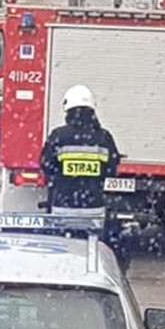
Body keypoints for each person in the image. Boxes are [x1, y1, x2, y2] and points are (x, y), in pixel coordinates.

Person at [40, 85, 124, 264]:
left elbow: (46, 165)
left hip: (63, 206)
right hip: (93, 207)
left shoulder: (59, 136)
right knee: (91, 254)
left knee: (63, 253)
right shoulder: (103, 137)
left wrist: (62, 176)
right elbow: (112, 168)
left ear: (68, 110)